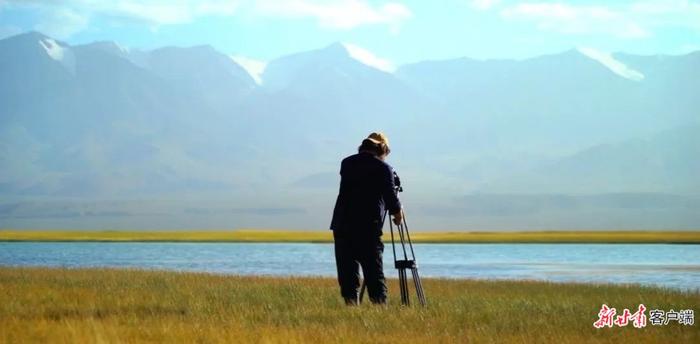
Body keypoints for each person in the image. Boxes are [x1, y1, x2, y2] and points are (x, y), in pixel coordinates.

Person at [330, 132, 403, 305]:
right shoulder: (383, 168)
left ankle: (351, 306)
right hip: (367, 227)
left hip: (342, 225)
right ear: (382, 149)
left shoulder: (346, 163)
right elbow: (390, 197)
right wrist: (398, 212)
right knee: (373, 271)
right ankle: (379, 307)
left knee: (347, 271)